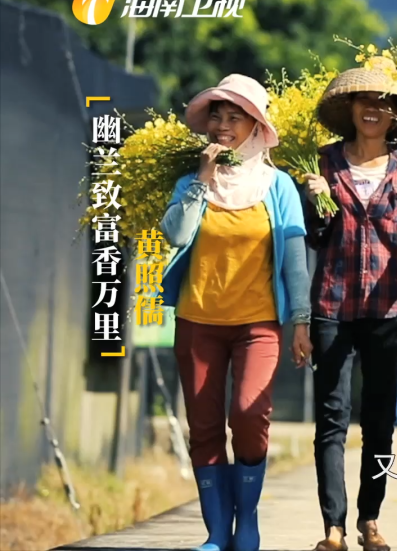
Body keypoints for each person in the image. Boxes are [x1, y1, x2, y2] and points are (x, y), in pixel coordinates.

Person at [159, 74, 312, 551]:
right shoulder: (190, 183)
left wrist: (302, 321)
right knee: (203, 425)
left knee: (248, 415)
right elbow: (176, 236)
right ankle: (215, 534)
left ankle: (247, 521)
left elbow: (293, 256)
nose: (223, 126)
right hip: (197, 321)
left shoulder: (278, 186)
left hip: (257, 324)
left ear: (255, 126)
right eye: (216, 117)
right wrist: (202, 183)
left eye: (234, 117)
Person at [301, 57, 397, 551]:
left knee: (379, 417)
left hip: (389, 306)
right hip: (332, 304)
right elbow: (315, 238)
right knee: (331, 417)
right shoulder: (324, 161)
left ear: (395, 113)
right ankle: (333, 527)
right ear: (350, 107)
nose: (373, 109)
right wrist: (316, 200)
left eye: (384, 102)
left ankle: (370, 519)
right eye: (365, 100)